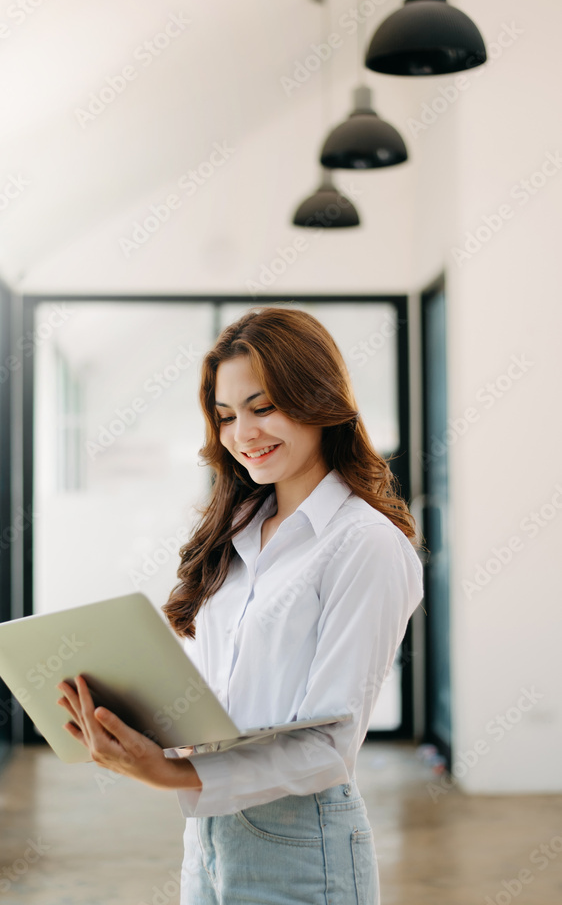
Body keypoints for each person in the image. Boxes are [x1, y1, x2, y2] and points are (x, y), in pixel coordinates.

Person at [57, 305, 425, 904]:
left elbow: (330, 744)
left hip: (304, 840)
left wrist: (173, 774)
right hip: (207, 832)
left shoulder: (366, 544)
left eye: (263, 407)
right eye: (226, 417)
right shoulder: (237, 530)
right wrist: (134, 722)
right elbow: (220, 692)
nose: (243, 435)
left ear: (318, 399)